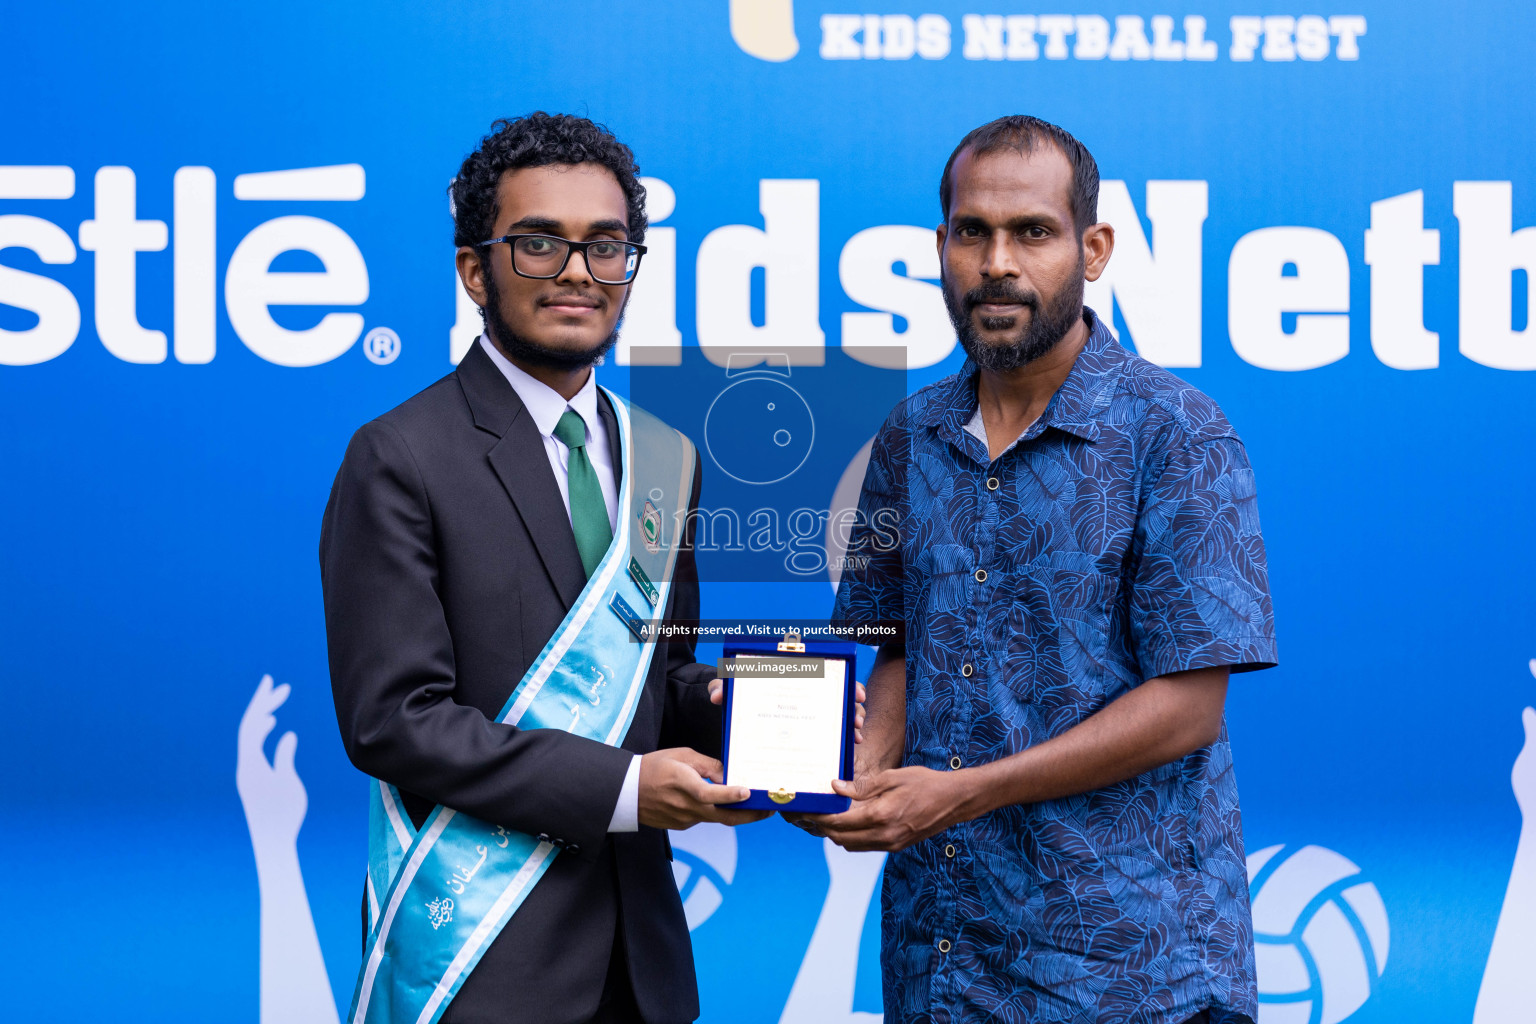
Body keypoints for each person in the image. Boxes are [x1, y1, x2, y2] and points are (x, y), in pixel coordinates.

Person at [815, 115, 1278, 1024]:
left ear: (1092, 248)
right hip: (941, 961)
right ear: (940, 246)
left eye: (1032, 232)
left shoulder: (1176, 432)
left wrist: (961, 795)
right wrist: (848, 773)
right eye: (971, 232)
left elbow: (1191, 705)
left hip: (1130, 973)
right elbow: (897, 649)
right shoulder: (910, 436)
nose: (997, 262)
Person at [320, 112, 765, 1024]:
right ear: (474, 269)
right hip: (482, 960)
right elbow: (394, 722)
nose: (577, 272)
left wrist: (737, 706)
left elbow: (654, 677)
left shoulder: (665, 459)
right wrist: (629, 790)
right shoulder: (400, 456)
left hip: (642, 963)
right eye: (538, 244)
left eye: (608, 247)